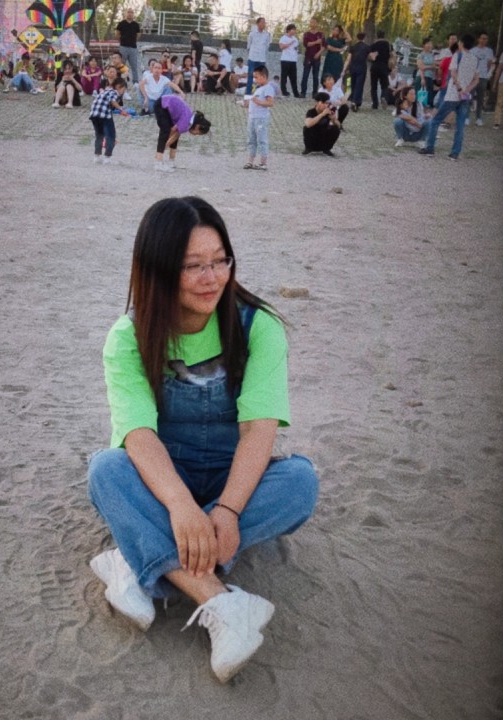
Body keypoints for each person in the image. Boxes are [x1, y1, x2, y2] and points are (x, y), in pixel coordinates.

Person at [88, 195, 319, 683]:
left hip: (231, 479)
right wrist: (180, 506)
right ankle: (222, 603)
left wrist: (227, 510)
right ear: (157, 270)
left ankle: (136, 560)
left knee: (300, 482)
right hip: (161, 480)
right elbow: (138, 435)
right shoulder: (128, 337)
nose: (211, 278)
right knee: (106, 470)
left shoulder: (259, 326)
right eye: (193, 266)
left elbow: (258, 430)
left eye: (220, 261)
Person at [419, 34, 479, 159]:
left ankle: (429, 148)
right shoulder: (475, 59)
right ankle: (455, 153)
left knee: (435, 120)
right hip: (465, 97)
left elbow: (453, 73)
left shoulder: (457, 55)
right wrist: (466, 90)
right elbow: (476, 79)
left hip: (453, 95)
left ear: (462, 43)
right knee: (460, 125)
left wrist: (459, 88)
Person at [153, 94, 211, 172]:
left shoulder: (190, 119)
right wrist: (165, 144)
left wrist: (168, 142)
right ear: (197, 126)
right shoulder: (187, 121)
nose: (195, 135)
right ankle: (158, 163)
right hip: (161, 105)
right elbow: (172, 131)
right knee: (165, 131)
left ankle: (171, 162)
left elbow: (176, 134)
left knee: (173, 137)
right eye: (197, 133)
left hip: (167, 106)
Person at [90, 77, 130, 164]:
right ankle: (107, 157)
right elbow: (112, 100)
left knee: (99, 135)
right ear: (119, 87)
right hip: (105, 116)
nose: (123, 92)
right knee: (111, 136)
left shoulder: (106, 91)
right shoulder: (114, 92)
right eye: (123, 90)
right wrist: (121, 109)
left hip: (94, 115)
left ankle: (97, 156)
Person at [243, 65, 274, 170]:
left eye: (256, 77)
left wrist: (257, 101)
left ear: (263, 76)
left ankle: (263, 163)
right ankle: (250, 161)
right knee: (251, 140)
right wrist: (247, 104)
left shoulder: (268, 88)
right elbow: (255, 102)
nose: (255, 80)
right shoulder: (258, 89)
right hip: (252, 117)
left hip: (261, 118)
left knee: (262, 140)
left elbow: (270, 103)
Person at [303, 91, 341, 156]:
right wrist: (322, 114)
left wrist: (334, 119)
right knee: (306, 128)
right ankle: (308, 148)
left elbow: (339, 125)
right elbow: (308, 124)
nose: (325, 105)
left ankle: (326, 149)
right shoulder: (311, 112)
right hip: (313, 136)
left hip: (323, 136)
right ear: (317, 103)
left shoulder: (329, 111)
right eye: (323, 103)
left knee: (335, 129)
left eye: (327, 103)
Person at [469, 31, 494, 125]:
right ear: (478, 39)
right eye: (482, 38)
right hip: (472, 77)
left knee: (480, 98)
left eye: (486, 39)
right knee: (469, 97)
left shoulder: (489, 51)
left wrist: (486, 74)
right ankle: (466, 117)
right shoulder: (472, 50)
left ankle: (478, 118)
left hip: (483, 77)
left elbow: (489, 64)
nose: (484, 40)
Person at [368, 29, 393, 109]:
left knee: (374, 86)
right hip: (384, 67)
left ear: (377, 36)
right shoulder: (389, 45)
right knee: (385, 85)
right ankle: (383, 97)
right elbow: (392, 55)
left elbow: (369, 57)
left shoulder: (373, 45)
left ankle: (375, 104)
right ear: (384, 36)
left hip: (374, 67)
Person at [245, 17, 270, 97]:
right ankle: (248, 93)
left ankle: (260, 92)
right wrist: (251, 52)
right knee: (250, 75)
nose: (263, 24)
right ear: (257, 23)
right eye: (262, 22)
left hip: (261, 58)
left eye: (264, 22)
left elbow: (267, 46)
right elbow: (248, 45)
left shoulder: (267, 35)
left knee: (261, 76)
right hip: (252, 57)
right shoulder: (252, 34)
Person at [344, 32, 370, 110]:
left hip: (352, 67)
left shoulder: (353, 47)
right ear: (364, 38)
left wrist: (345, 68)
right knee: (359, 85)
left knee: (351, 84)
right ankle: (355, 102)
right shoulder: (367, 47)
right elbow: (371, 57)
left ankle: (351, 99)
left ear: (357, 38)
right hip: (362, 68)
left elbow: (349, 59)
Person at [301, 17, 324, 97]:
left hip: (317, 58)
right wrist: (316, 42)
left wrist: (319, 53)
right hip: (308, 57)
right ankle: (303, 92)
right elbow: (307, 44)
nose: (312, 24)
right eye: (311, 22)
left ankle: (315, 93)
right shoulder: (306, 34)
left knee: (315, 76)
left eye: (314, 22)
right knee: (305, 75)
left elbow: (324, 45)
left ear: (317, 23)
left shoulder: (321, 34)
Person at [116, 8, 141, 85]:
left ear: (133, 14)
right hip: (123, 47)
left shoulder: (136, 25)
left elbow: (138, 34)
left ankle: (135, 82)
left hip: (133, 48)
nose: (130, 14)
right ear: (125, 13)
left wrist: (133, 41)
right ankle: (120, 81)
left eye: (131, 12)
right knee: (121, 65)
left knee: (134, 66)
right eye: (128, 12)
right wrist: (121, 41)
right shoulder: (121, 23)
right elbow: (117, 34)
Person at [279, 24, 300, 97]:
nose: (294, 31)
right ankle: (284, 91)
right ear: (288, 30)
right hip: (285, 59)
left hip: (293, 60)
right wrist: (290, 43)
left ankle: (296, 93)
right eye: (293, 29)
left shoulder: (295, 39)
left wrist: (296, 51)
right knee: (284, 77)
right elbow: (281, 47)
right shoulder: (283, 38)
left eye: (295, 29)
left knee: (294, 77)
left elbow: (296, 48)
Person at [415, 37, 437, 107]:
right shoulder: (420, 55)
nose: (430, 45)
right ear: (424, 45)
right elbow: (421, 67)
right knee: (420, 98)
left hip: (430, 77)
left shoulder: (432, 55)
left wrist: (427, 67)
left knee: (429, 99)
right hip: (422, 77)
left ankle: (426, 112)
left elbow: (434, 66)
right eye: (428, 44)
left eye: (431, 44)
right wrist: (422, 78)